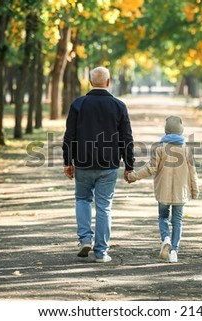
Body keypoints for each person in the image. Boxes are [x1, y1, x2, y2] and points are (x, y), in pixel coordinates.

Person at [62, 66, 134, 263]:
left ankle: (85, 239)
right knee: (104, 207)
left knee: (82, 200)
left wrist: (68, 162)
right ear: (108, 82)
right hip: (108, 165)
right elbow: (126, 138)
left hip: (83, 162)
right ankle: (101, 252)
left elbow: (69, 136)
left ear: (90, 82)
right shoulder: (119, 106)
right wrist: (129, 165)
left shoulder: (78, 104)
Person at [127, 115, 199, 263]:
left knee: (163, 217)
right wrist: (195, 190)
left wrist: (133, 176)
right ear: (181, 130)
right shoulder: (186, 150)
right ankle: (174, 252)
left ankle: (166, 238)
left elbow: (150, 168)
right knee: (177, 220)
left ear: (166, 130)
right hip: (181, 192)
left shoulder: (159, 148)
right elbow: (193, 172)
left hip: (163, 191)